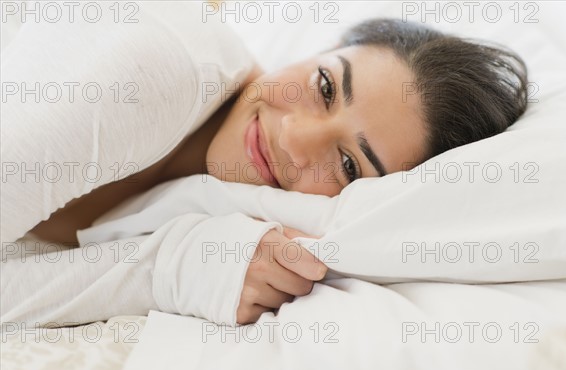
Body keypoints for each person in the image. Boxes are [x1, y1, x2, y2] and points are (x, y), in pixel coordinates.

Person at [6, 18, 528, 325]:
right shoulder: (154, 73)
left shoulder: (220, 206)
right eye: (325, 86)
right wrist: (163, 269)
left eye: (348, 164)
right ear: (319, 53)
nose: (295, 137)